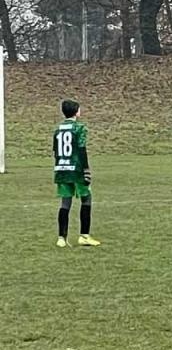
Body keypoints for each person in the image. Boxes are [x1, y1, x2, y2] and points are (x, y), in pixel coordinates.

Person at [52, 99, 99, 247]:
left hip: (61, 169)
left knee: (65, 202)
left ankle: (61, 238)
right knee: (86, 199)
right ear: (76, 111)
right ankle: (84, 236)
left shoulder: (58, 129)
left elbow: (55, 151)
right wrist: (86, 169)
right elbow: (81, 149)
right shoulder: (80, 128)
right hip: (76, 169)